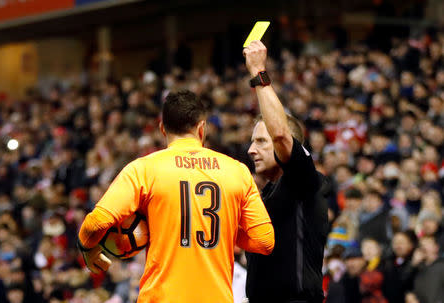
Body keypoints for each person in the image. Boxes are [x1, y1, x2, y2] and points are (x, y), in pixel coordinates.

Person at [77, 90, 275, 303]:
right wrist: (217, 226)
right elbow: (264, 241)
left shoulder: (143, 169)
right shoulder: (238, 171)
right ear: (202, 128)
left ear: (163, 129)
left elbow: (97, 222)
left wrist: (87, 248)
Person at [242, 41, 328, 303]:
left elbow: (279, 133)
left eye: (260, 142)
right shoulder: (264, 195)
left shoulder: (302, 180)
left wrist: (259, 73)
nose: (250, 150)